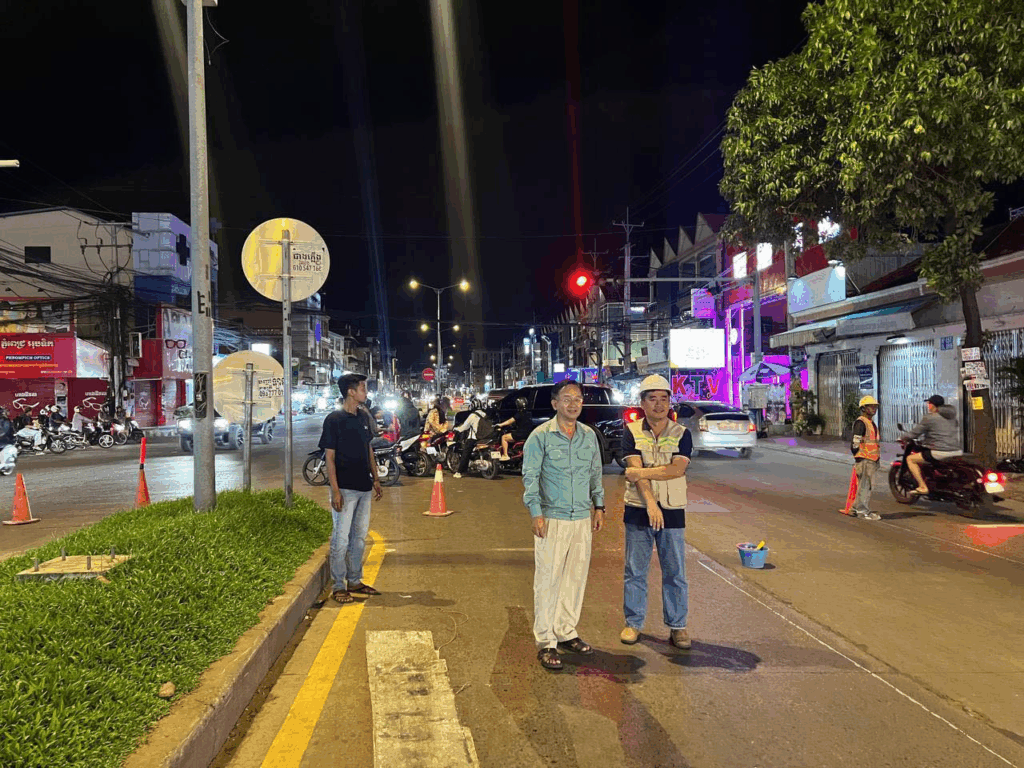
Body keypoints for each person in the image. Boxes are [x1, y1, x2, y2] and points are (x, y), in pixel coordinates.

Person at [522, 379, 604, 671]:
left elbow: (595, 473)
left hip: (581, 516)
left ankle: (566, 631)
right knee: (548, 580)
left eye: (578, 398)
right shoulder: (540, 437)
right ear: (555, 403)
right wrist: (536, 513)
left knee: (575, 578)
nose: (573, 404)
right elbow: (530, 477)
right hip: (552, 518)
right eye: (567, 398)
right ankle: (546, 641)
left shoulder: (588, 436)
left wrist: (599, 506)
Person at [620, 375, 693, 649]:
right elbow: (636, 470)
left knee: (675, 572)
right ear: (642, 403)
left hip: (672, 511)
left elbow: (677, 469)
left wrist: (640, 472)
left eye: (664, 399)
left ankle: (678, 626)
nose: (659, 405)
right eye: (652, 399)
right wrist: (651, 503)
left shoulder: (681, 433)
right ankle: (633, 623)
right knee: (635, 571)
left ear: (670, 402)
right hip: (639, 509)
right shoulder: (631, 431)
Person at [318, 373, 383, 606]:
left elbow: (368, 450)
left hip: (364, 487)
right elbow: (330, 458)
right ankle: (338, 585)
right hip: (345, 489)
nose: (366, 392)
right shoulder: (334, 420)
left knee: (359, 538)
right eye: (362, 388)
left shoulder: (363, 417)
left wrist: (376, 479)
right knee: (341, 539)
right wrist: (335, 490)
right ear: (351, 392)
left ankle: (355, 580)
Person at [903, 394, 962, 496]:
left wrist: (902, 438)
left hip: (939, 451)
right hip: (956, 450)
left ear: (932, 405)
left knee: (910, 459)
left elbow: (914, 433)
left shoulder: (929, 418)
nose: (927, 406)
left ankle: (922, 486)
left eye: (928, 403)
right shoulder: (952, 418)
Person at [847, 395, 882, 520]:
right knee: (865, 487)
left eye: (875, 406)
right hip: (865, 458)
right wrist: (858, 456)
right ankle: (862, 511)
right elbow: (855, 442)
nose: (874, 409)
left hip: (871, 459)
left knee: (864, 486)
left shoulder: (871, 423)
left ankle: (855, 508)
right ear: (863, 408)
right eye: (871, 406)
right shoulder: (861, 422)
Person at [452, 399, 494, 478]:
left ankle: (459, 472)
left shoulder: (473, 415)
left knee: (465, 453)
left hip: (475, 438)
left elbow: (465, 427)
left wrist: (456, 429)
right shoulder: (484, 414)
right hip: (486, 437)